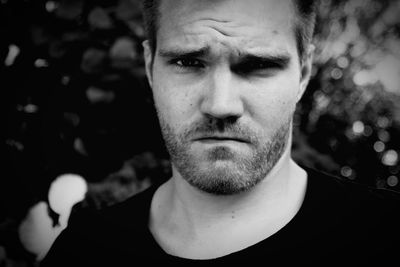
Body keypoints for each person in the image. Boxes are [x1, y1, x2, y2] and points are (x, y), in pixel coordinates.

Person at [41, 0, 400, 266]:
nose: (220, 104)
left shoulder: (384, 236)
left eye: (258, 65)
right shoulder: (84, 253)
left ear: (303, 72)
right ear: (150, 67)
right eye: (188, 62)